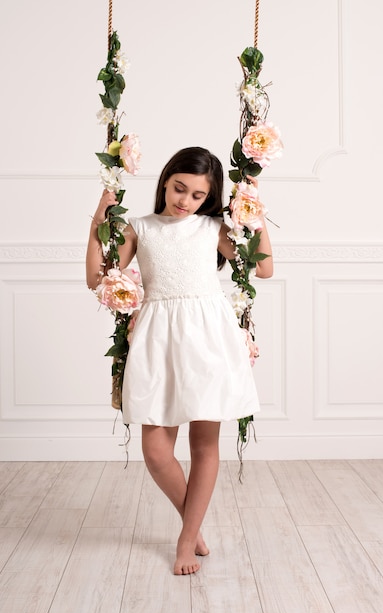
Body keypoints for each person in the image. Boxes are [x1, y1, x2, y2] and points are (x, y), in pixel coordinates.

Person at [86, 147, 273, 575]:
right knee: (155, 450)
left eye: (196, 195)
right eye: (178, 189)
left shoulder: (213, 229)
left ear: (209, 199)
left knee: (204, 444)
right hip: (157, 337)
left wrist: (254, 213)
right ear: (165, 181)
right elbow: (97, 278)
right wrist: (99, 217)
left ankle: (187, 540)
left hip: (208, 338)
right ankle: (194, 523)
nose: (183, 200)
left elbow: (263, 270)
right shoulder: (140, 228)